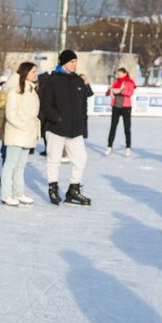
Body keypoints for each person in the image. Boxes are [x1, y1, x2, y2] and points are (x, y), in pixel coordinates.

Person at [39, 49, 93, 206]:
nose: (75, 64)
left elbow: (84, 101)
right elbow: (45, 104)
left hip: (74, 130)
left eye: (76, 61)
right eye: (71, 62)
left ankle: (73, 190)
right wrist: (57, 118)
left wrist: (82, 122)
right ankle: (53, 188)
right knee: (54, 160)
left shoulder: (77, 80)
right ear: (63, 63)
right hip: (56, 128)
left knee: (81, 159)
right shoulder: (53, 80)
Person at [0, 62, 40, 207]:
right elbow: (11, 114)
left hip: (27, 134)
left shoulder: (31, 90)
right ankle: (6, 194)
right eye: (33, 71)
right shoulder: (15, 91)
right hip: (17, 133)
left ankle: (18, 192)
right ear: (25, 73)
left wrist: (32, 128)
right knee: (10, 165)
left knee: (21, 165)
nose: (36, 74)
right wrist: (25, 126)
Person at [105, 67, 136, 157]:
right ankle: (109, 146)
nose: (119, 75)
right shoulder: (115, 82)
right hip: (116, 107)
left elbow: (130, 92)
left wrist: (121, 91)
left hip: (126, 107)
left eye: (120, 73)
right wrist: (109, 89)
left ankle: (128, 147)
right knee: (113, 127)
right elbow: (107, 94)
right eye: (118, 74)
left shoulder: (130, 82)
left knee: (127, 128)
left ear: (125, 73)